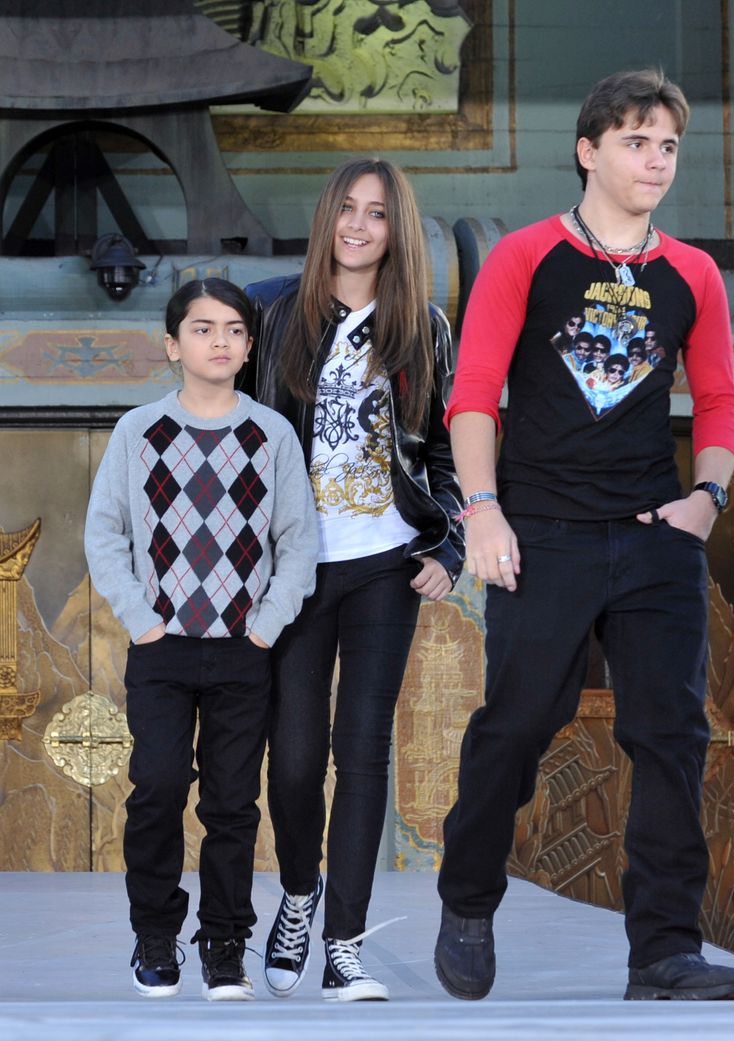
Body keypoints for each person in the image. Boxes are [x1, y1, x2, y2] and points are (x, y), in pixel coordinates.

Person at [433, 68, 734, 1002]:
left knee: (670, 735)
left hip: (656, 535)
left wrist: (708, 499)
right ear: (588, 150)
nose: (655, 161)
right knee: (517, 725)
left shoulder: (691, 272)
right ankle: (467, 894)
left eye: (667, 147)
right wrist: (482, 509)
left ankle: (663, 950)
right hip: (543, 531)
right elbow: (473, 395)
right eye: (636, 142)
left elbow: (723, 398)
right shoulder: (527, 257)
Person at [245, 157, 464, 1002]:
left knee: (361, 750)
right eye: (346, 208)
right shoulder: (277, 316)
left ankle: (344, 943)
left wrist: (443, 551)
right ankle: (298, 893)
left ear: (394, 228)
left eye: (376, 213)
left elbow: (447, 449)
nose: (358, 225)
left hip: (384, 563)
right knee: (295, 759)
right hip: (297, 567)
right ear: (326, 217)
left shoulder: (423, 329)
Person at [84, 279, 318, 1001]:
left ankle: (224, 943)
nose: (219, 341)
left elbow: (297, 542)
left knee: (231, 803)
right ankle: (155, 933)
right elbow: (105, 533)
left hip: (242, 652)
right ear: (171, 343)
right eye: (201, 328)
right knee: (155, 786)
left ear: (249, 348)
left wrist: (263, 629)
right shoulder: (140, 433)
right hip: (162, 650)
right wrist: (142, 620)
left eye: (234, 330)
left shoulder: (270, 434)